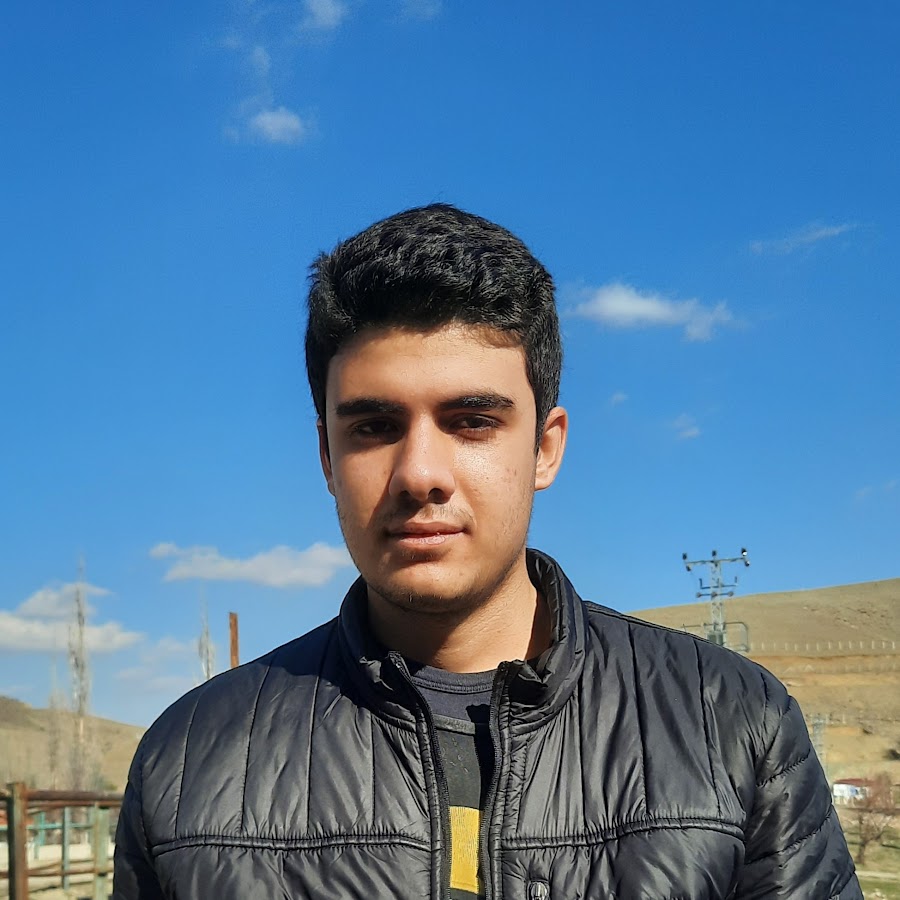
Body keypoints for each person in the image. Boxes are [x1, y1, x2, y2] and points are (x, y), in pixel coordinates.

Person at [114, 204, 861, 899]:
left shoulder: (731, 723)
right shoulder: (191, 763)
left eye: (472, 421)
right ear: (326, 457)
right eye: (373, 427)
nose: (420, 474)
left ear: (545, 448)